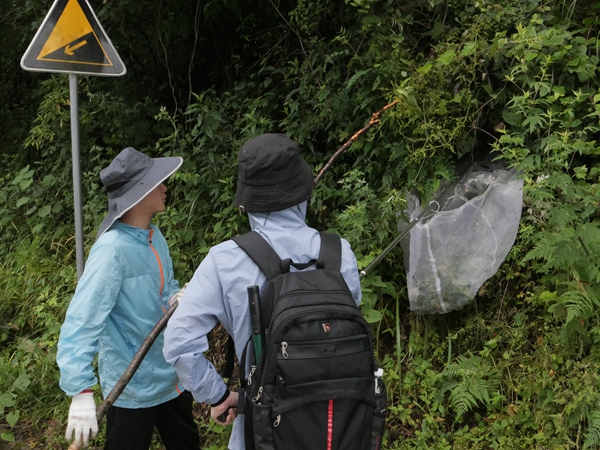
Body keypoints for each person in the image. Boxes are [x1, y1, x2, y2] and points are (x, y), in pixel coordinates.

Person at [163, 133, 362, 449]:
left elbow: (178, 343)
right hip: (340, 428)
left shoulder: (225, 260)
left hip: (263, 430)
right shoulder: (341, 253)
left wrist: (217, 395)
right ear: (305, 190)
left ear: (247, 202)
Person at [56, 147, 199, 450]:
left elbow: (166, 287)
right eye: (157, 182)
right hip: (130, 389)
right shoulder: (112, 251)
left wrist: (176, 298)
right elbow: (82, 321)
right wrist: (80, 391)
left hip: (169, 377)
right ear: (139, 193)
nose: (165, 187)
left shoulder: (154, 236)